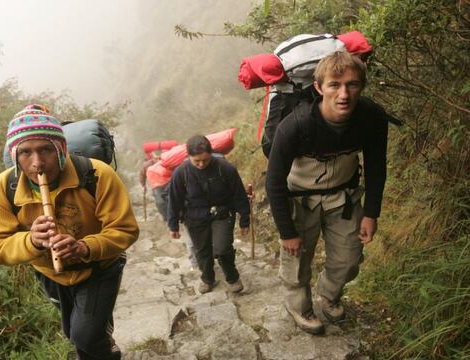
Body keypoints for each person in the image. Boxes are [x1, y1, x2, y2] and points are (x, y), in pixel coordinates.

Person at [0, 104, 139, 359]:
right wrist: (31, 241)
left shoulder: (97, 174)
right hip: (49, 274)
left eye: (45, 149)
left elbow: (125, 229)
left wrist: (84, 247)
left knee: (85, 334)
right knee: (74, 333)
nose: (37, 163)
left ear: (61, 148)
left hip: (100, 267)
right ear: (14, 155)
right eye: (25, 153)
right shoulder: (2, 189)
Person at [265, 51, 388, 334]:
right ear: (319, 88)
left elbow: (376, 167)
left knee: (348, 259)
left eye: (352, 84)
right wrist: (286, 232)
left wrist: (371, 214)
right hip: (299, 199)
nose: (343, 93)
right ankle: (298, 305)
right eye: (335, 84)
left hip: (343, 198)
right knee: (296, 259)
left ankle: (329, 295)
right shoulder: (295, 125)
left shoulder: (371, 118)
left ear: (362, 86)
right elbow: (274, 182)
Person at [167, 135, 250, 294]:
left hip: (222, 213)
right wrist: (173, 225)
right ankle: (207, 278)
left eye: (205, 160)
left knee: (223, 247)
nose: (201, 164)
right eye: (196, 161)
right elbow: (174, 199)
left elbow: (238, 194)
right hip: (194, 217)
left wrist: (244, 220)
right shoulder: (181, 173)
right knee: (202, 250)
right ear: (189, 156)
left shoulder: (225, 168)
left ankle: (232, 278)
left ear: (211, 154)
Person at [139, 151, 169, 221]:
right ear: (152, 157)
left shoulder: (166, 162)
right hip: (155, 185)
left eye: (159, 158)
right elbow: (142, 176)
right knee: (160, 201)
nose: (158, 160)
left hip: (167, 183)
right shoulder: (147, 165)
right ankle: (165, 217)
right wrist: (143, 186)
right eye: (156, 158)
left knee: (170, 199)